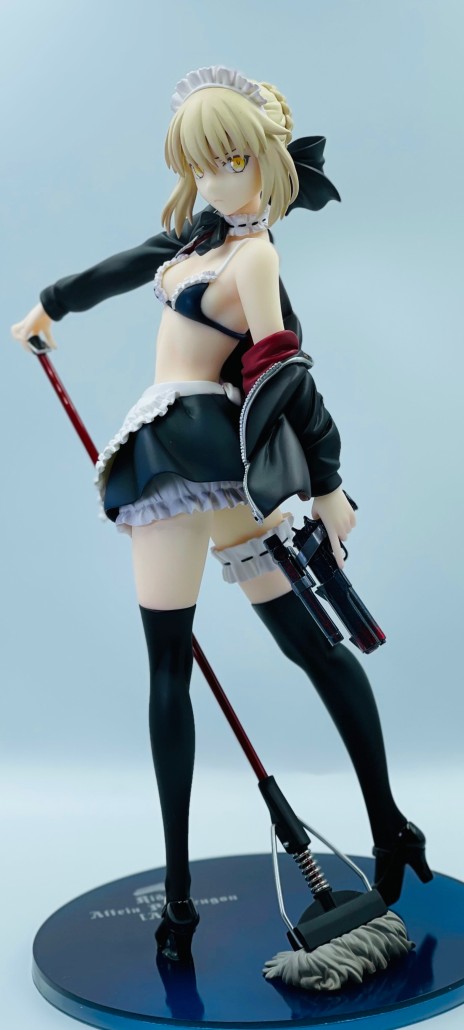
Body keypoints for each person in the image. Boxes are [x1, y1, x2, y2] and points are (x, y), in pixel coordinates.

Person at [11, 65, 432, 960]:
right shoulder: (199, 240)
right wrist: (54, 301)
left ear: (267, 163)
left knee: (291, 646)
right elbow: (133, 261)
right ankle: (183, 896)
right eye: (200, 163)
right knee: (191, 664)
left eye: (230, 161)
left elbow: (286, 368)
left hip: (193, 461)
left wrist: (328, 484)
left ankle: (386, 826)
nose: (212, 179)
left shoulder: (256, 257)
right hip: (191, 460)